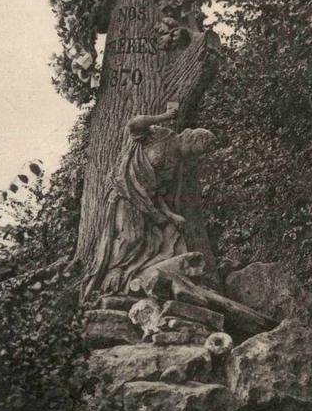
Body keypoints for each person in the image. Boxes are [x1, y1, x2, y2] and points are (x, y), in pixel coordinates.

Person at [81, 107, 216, 300]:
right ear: (188, 138)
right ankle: (112, 276)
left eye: (196, 154)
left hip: (148, 204)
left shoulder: (177, 165)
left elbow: (157, 192)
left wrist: (170, 215)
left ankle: (156, 279)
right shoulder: (160, 135)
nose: (192, 155)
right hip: (127, 193)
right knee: (131, 237)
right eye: (194, 150)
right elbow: (134, 124)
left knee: (166, 238)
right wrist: (164, 117)